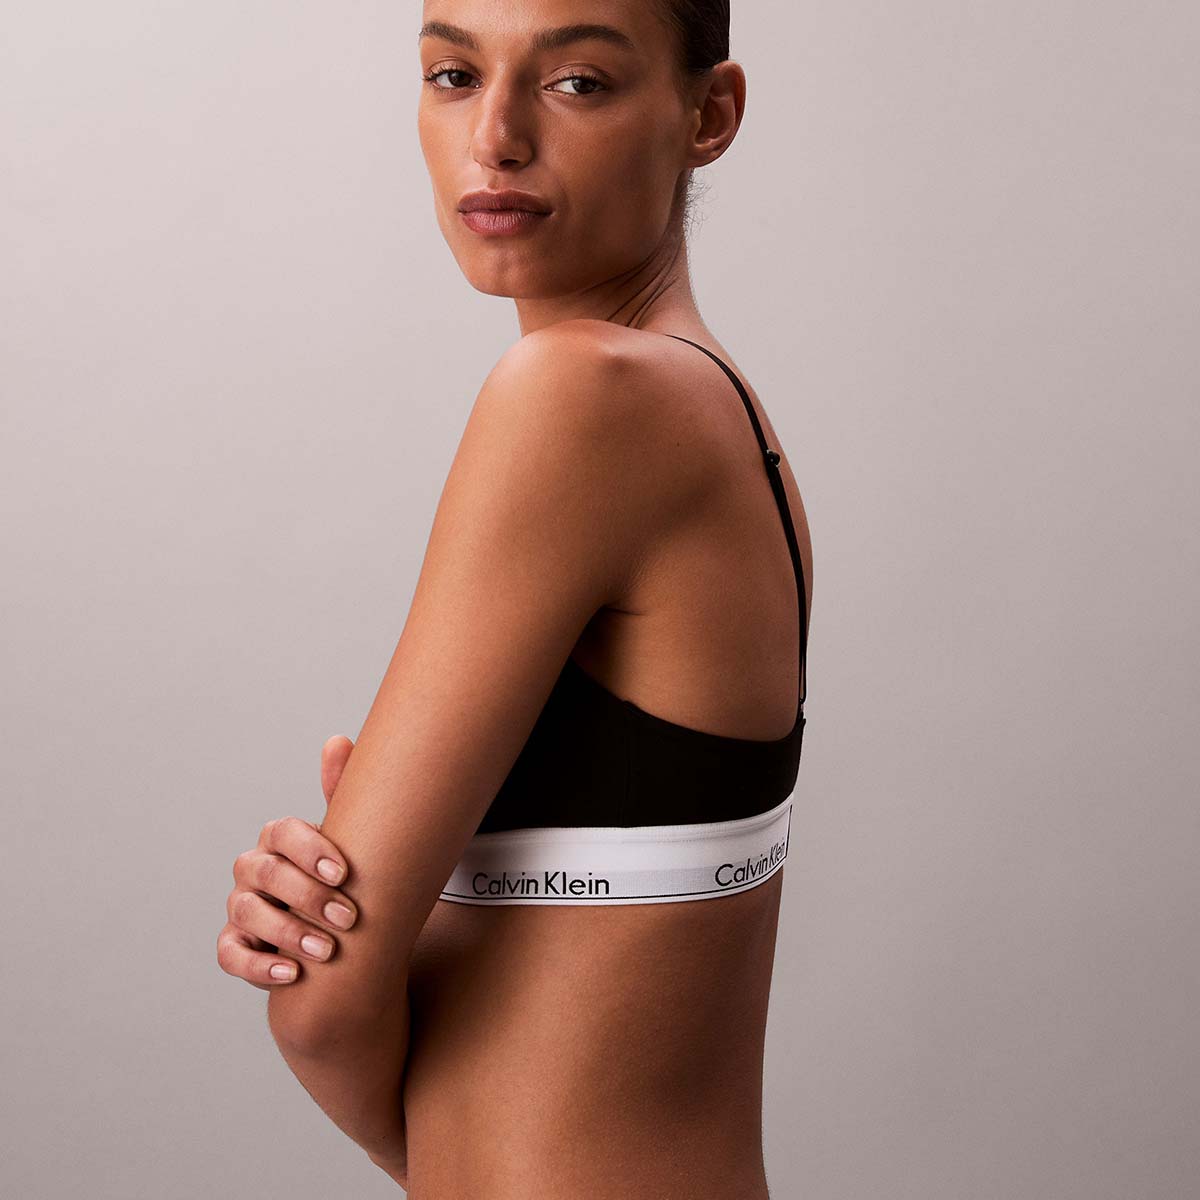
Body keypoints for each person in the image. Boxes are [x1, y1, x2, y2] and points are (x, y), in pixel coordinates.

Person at [216, 2, 814, 1195]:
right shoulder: (724, 416)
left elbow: (322, 1008)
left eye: (577, 81)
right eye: (452, 74)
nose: (494, 137)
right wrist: (433, 899)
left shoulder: (582, 393)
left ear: (709, 113)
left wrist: (339, 940)